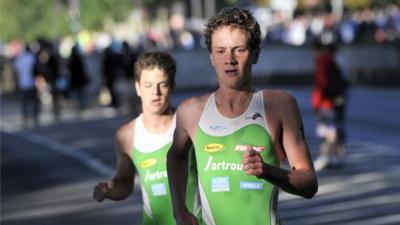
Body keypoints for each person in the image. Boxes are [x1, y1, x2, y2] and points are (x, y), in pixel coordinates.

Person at [167, 7, 318, 225]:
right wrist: (179, 209)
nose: (229, 59)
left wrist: (267, 171)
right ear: (211, 57)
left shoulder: (279, 105)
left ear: (255, 54)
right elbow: (176, 156)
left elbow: (309, 184)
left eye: (239, 50)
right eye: (220, 51)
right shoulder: (191, 111)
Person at [93, 52, 200, 225]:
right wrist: (109, 190)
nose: (155, 92)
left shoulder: (190, 123)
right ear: (138, 88)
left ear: (172, 86)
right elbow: (125, 184)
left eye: (162, 85)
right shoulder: (126, 135)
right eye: (148, 85)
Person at [312, 41, 348, 171]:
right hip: (335, 100)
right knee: (334, 127)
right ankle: (337, 156)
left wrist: (317, 102)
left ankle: (327, 156)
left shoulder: (323, 60)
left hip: (325, 102)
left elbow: (322, 83)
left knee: (327, 130)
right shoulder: (337, 59)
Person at [14, 44, 40, 127]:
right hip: (32, 83)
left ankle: (26, 116)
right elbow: (37, 70)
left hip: (23, 83)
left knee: (25, 102)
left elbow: (16, 70)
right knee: (34, 101)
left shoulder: (20, 59)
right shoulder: (32, 57)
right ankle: (34, 116)